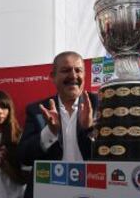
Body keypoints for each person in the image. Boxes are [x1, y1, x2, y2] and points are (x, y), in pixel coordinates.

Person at [18, 51, 98, 198]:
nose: (73, 75)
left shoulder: (100, 105)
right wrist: (49, 132)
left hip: (90, 192)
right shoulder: (37, 110)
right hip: (48, 192)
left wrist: (90, 129)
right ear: (52, 77)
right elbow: (24, 156)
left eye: (78, 70)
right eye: (66, 70)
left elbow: (115, 155)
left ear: (84, 76)